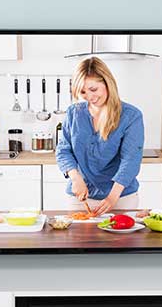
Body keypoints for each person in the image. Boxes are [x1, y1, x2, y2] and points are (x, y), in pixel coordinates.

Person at [56, 56, 144, 217]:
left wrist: (112, 197)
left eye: (93, 89)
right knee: (77, 242)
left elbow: (130, 160)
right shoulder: (73, 113)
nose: (89, 96)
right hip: (81, 198)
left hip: (120, 196)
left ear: (107, 83)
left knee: (120, 241)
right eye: (82, 91)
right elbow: (63, 150)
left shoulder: (131, 116)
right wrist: (75, 178)